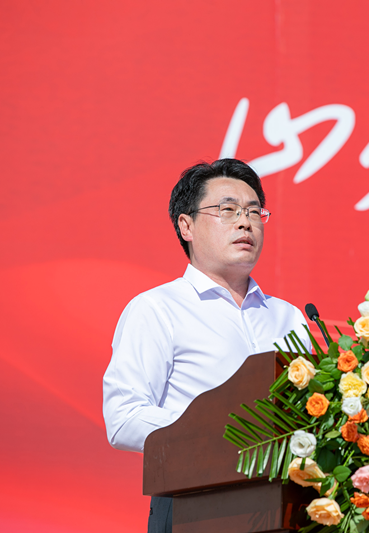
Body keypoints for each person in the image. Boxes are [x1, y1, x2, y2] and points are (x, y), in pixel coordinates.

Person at [102, 159, 311, 533]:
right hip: (195, 505)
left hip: (285, 507)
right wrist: (218, 434)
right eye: (228, 210)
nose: (245, 223)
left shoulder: (288, 317)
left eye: (254, 212)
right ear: (187, 226)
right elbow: (124, 418)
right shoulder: (158, 309)